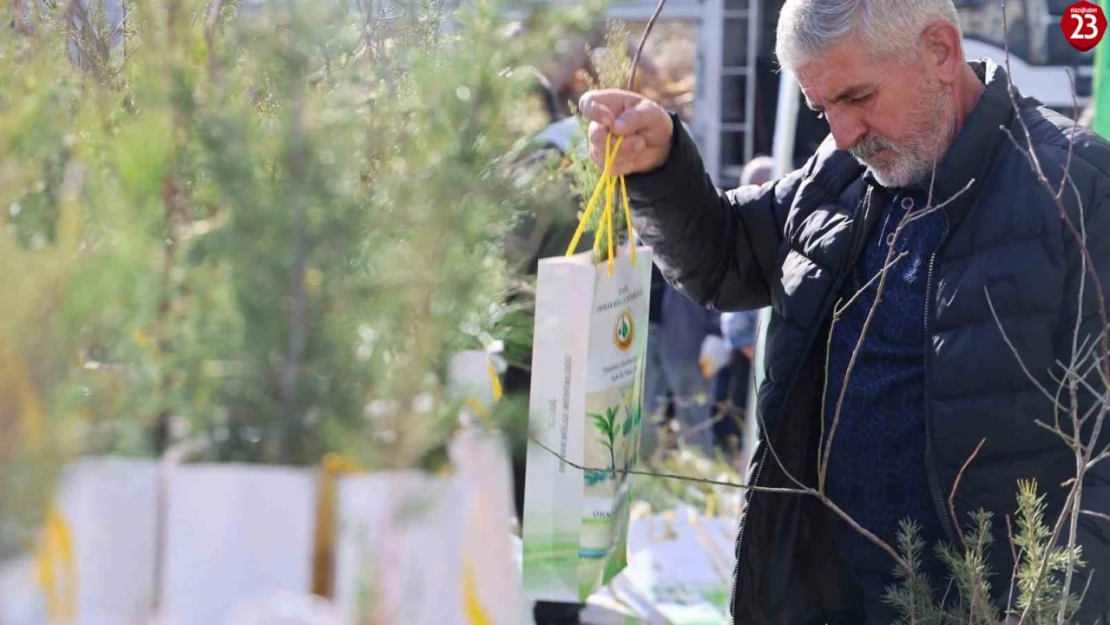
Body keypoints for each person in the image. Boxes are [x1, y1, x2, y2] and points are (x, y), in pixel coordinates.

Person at [576, 0, 1110, 624]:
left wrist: (1057, 603)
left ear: (940, 49)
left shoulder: (1078, 185)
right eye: (823, 108)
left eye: (857, 96)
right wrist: (663, 165)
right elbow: (725, 257)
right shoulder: (838, 174)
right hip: (833, 598)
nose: (845, 131)